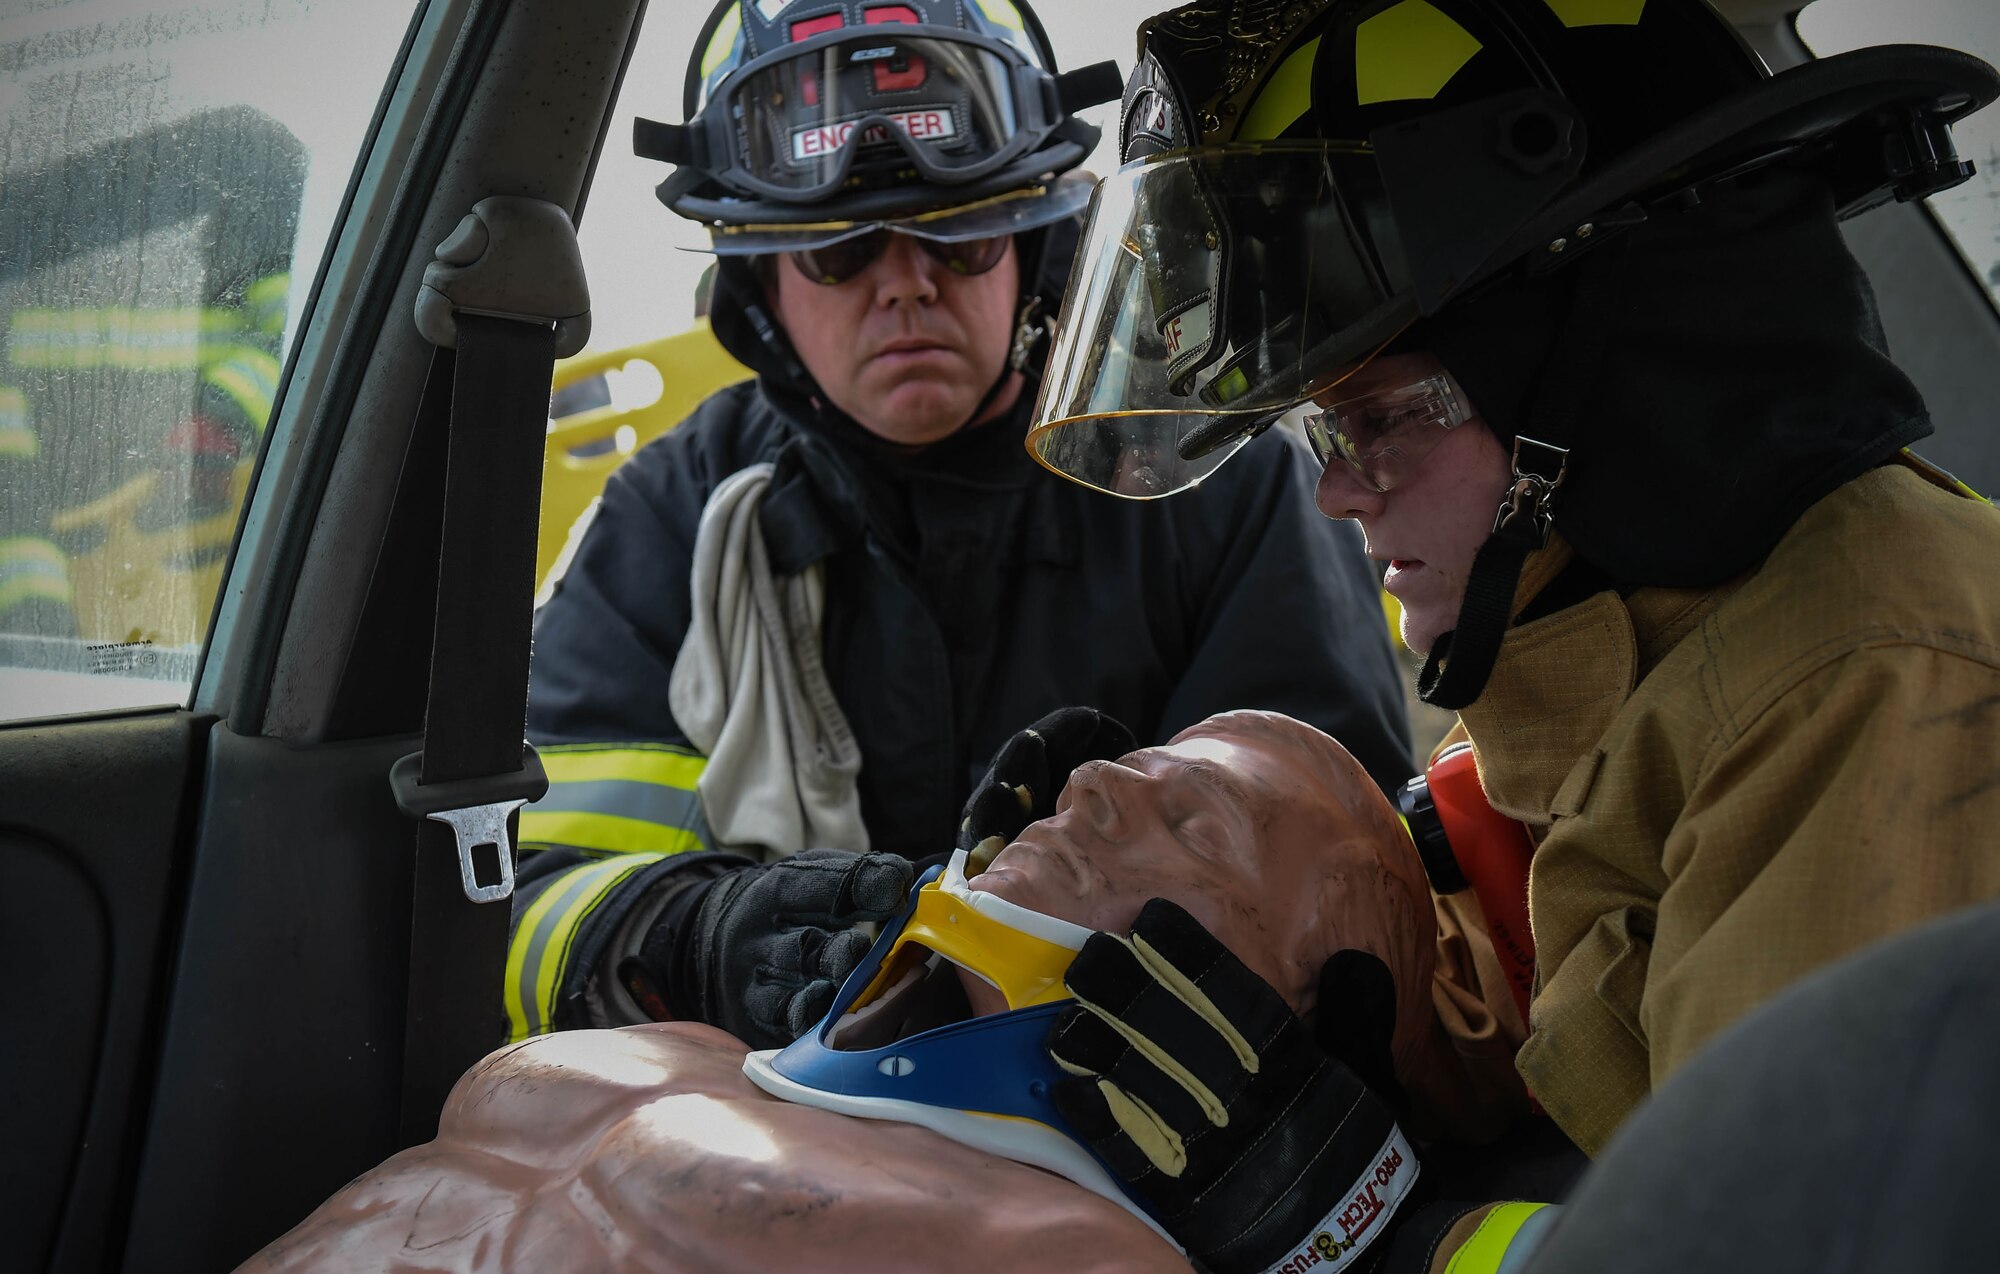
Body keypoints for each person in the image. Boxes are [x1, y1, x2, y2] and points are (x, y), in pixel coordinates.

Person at [1013, 1, 2000, 1269]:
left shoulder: (1864, 683)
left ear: (1592, 371)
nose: (1336, 489)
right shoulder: (1637, 615)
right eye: (1326, 429)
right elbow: (1553, 977)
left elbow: (1775, 1238)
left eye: (1377, 415)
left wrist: (1351, 1233)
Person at [508, 0, 1413, 1054]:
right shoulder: (671, 514)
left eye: (958, 234)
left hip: (1140, 1128)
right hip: (766, 1127)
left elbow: (1341, 884)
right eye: (839, 253)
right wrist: (683, 935)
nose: (904, 284)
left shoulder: (1209, 475)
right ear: (759, 283)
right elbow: (533, 893)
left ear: (1028, 247)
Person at [241, 712, 1443, 1273]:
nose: (1085, 786)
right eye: (1118, 767)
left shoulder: (1068, 1256)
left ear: (1275, 1015)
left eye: (1189, 819)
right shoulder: (679, 1046)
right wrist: (682, 923)